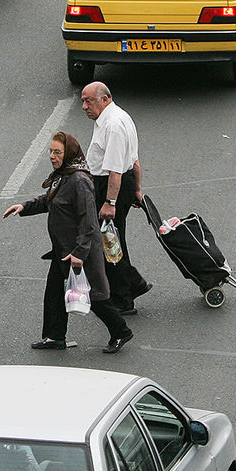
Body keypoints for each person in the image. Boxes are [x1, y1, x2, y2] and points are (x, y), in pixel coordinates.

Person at [4, 132, 133, 354]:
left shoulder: (79, 181)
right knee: (54, 292)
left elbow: (89, 222)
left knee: (94, 296)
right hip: (62, 250)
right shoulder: (63, 175)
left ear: (68, 153)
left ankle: (121, 331)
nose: (52, 156)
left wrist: (79, 254)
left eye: (57, 152)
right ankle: (54, 336)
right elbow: (49, 200)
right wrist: (24, 207)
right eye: (51, 152)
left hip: (79, 252)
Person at [80, 82, 152, 314]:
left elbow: (115, 170)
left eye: (88, 101)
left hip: (112, 187)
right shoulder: (115, 117)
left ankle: (125, 296)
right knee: (112, 239)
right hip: (120, 186)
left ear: (104, 99)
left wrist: (110, 202)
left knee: (108, 242)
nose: (84, 106)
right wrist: (136, 190)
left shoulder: (113, 125)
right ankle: (130, 286)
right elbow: (135, 159)